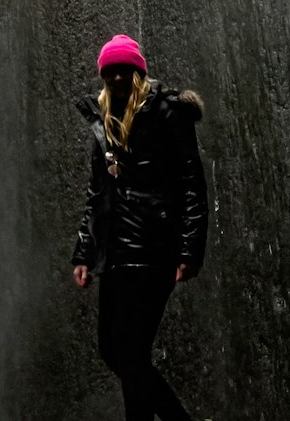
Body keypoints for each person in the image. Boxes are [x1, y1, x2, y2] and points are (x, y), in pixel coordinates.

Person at [71, 33, 208, 421]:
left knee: (130, 354)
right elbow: (97, 193)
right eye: (109, 71)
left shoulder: (167, 111)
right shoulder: (102, 123)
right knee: (115, 353)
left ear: (138, 72)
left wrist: (190, 249)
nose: (116, 78)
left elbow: (192, 185)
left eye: (123, 70)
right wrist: (84, 251)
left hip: (153, 249)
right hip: (115, 252)